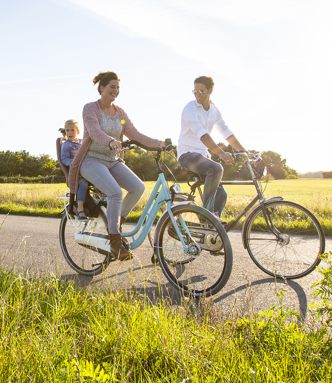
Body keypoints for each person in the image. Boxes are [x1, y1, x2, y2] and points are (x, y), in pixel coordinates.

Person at [68, 71, 165, 262]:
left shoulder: (120, 113)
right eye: (112, 86)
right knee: (115, 192)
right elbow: (94, 131)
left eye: (118, 87)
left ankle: (115, 224)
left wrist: (159, 143)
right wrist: (111, 141)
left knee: (138, 187)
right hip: (91, 160)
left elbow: (134, 134)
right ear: (102, 88)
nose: (116, 90)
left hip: (112, 161)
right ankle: (114, 243)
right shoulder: (90, 109)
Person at [177, 75, 245, 217]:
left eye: (201, 91)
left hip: (202, 157)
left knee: (221, 194)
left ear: (210, 91)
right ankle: (208, 217)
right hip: (187, 155)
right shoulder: (190, 108)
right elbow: (202, 134)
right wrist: (221, 153)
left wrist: (243, 151)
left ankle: (211, 232)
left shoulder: (214, 110)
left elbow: (225, 131)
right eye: (195, 91)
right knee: (216, 168)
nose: (197, 95)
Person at [60, 119, 89, 220]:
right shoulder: (66, 145)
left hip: (87, 168)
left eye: (72, 130)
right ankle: (80, 208)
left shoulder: (83, 143)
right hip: (76, 172)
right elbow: (64, 159)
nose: (69, 133)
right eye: (67, 130)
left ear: (78, 131)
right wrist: (73, 163)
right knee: (84, 183)